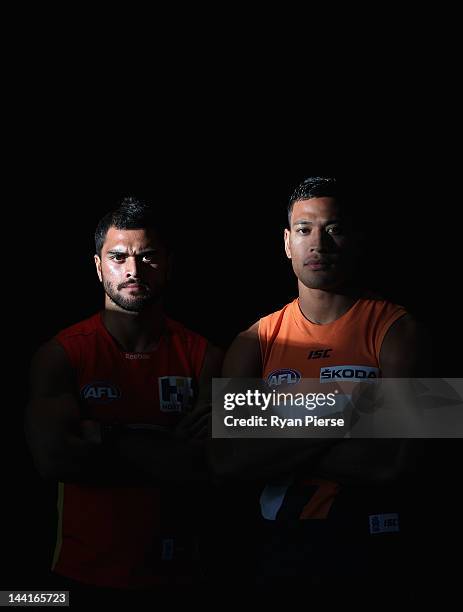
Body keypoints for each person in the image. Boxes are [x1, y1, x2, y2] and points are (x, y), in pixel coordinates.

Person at [216, 177, 430, 596]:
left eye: (333, 228)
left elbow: (400, 461)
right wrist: (340, 419)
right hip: (281, 544)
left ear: (354, 239)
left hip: (372, 540)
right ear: (286, 242)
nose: (319, 243)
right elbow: (225, 460)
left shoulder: (398, 328)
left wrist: (275, 432)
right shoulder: (254, 339)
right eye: (304, 229)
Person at [25, 197, 222, 600]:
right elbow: (52, 460)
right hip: (82, 576)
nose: (133, 270)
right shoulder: (62, 354)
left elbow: (214, 466)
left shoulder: (206, 357)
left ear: (169, 263)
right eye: (118, 257)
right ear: (98, 267)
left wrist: (107, 437)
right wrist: (167, 446)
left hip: (181, 576)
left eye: (148, 256)